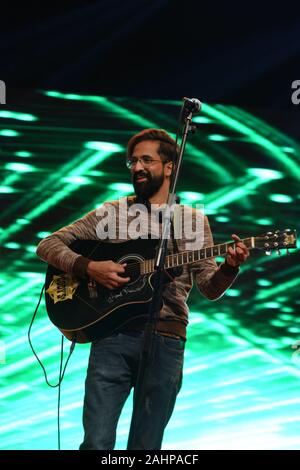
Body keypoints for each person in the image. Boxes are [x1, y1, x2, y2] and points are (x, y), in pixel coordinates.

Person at [36, 128, 249, 450]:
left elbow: (208, 287)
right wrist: (90, 267)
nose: (136, 167)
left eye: (146, 160)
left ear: (168, 168)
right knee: (96, 443)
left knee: (146, 446)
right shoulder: (112, 212)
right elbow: (48, 244)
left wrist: (230, 268)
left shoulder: (191, 220)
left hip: (166, 339)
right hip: (111, 337)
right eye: (132, 161)